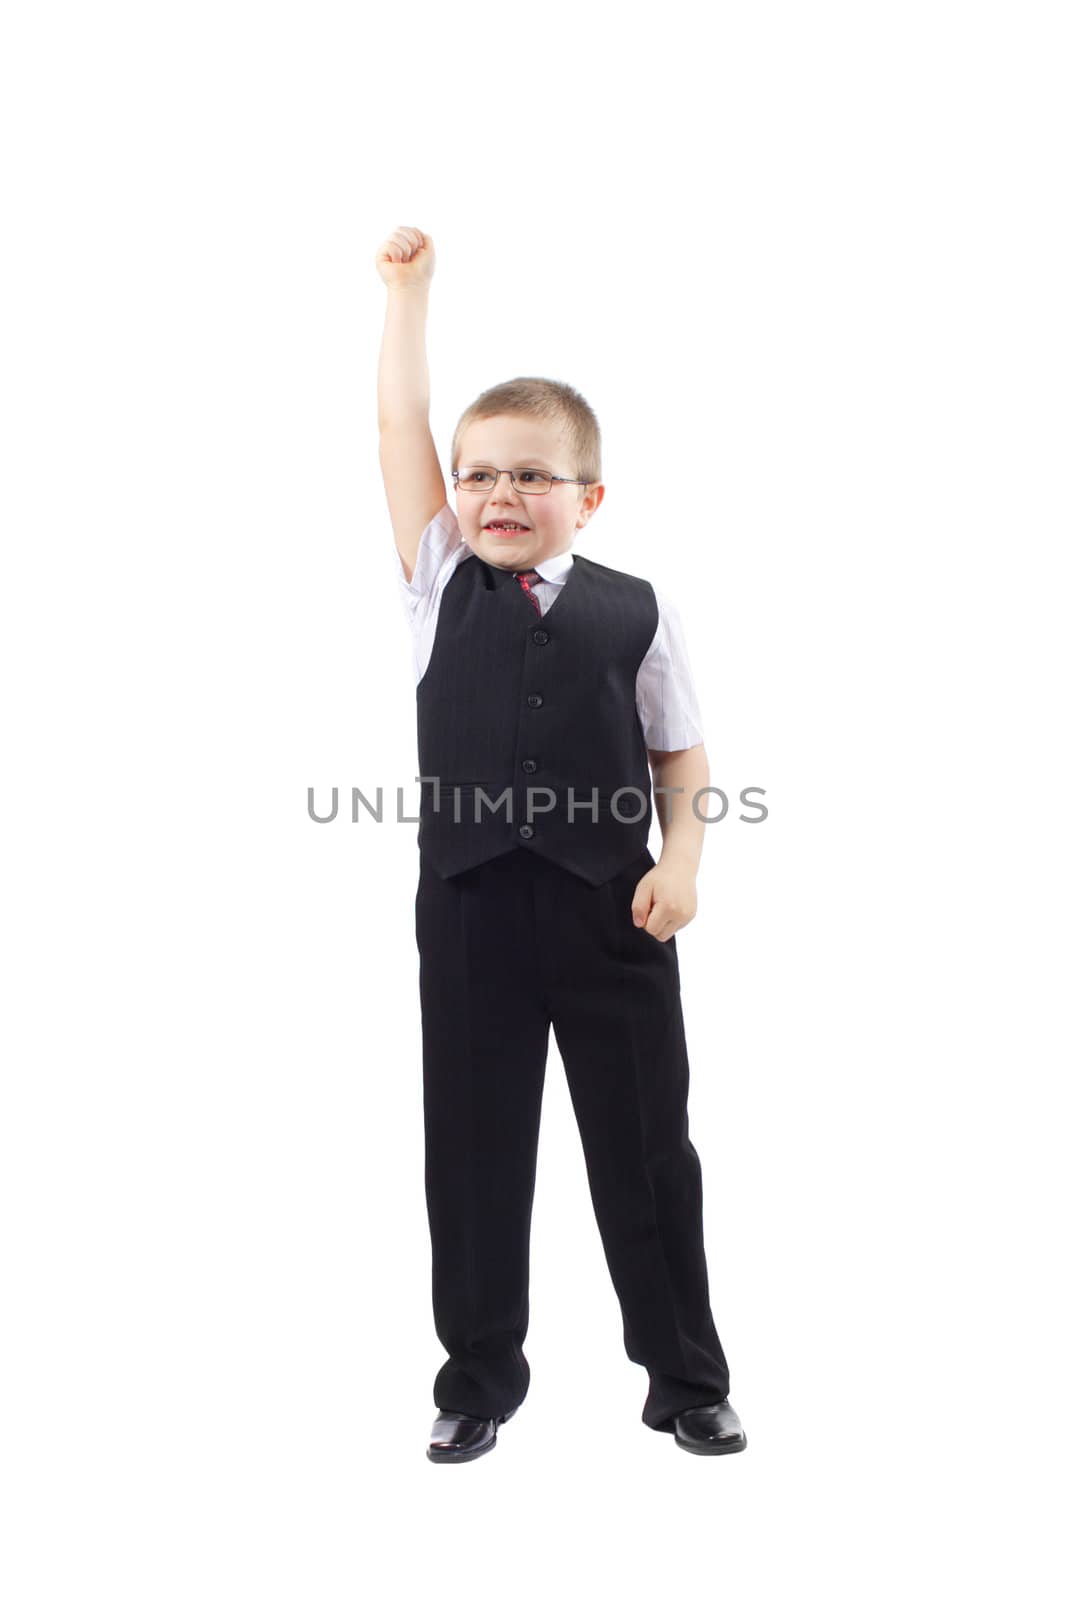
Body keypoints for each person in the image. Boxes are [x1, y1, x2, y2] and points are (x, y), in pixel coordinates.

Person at [376, 224, 746, 1464]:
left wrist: (680, 865)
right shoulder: (438, 581)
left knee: (645, 1149)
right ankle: (477, 1377)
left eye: (529, 476)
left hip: (612, 910)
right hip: (473, 912)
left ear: (586, 497)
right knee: (474, 1149)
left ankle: (684, 1377)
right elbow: (396, 431)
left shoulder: (637, 609)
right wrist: (409, 297)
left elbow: (678, 755)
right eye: (477, 474)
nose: (495, 496)